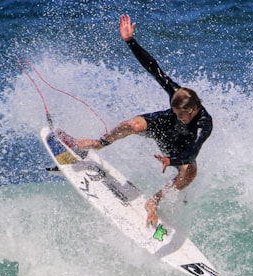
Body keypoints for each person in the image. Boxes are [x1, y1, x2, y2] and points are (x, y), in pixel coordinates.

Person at [75, 15, 213, 227]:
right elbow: (153, 68)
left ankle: (154, 201)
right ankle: (99, 143)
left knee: (190, 171)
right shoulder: (178, 96)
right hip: (162, 127)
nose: (180, 117)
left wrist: (172, 161)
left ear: (194, 109)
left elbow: (193, 151)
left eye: (183, 115)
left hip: (181, 147)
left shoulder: (204, 123)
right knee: (131, 125)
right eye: (176, 112)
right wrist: (130, 41)